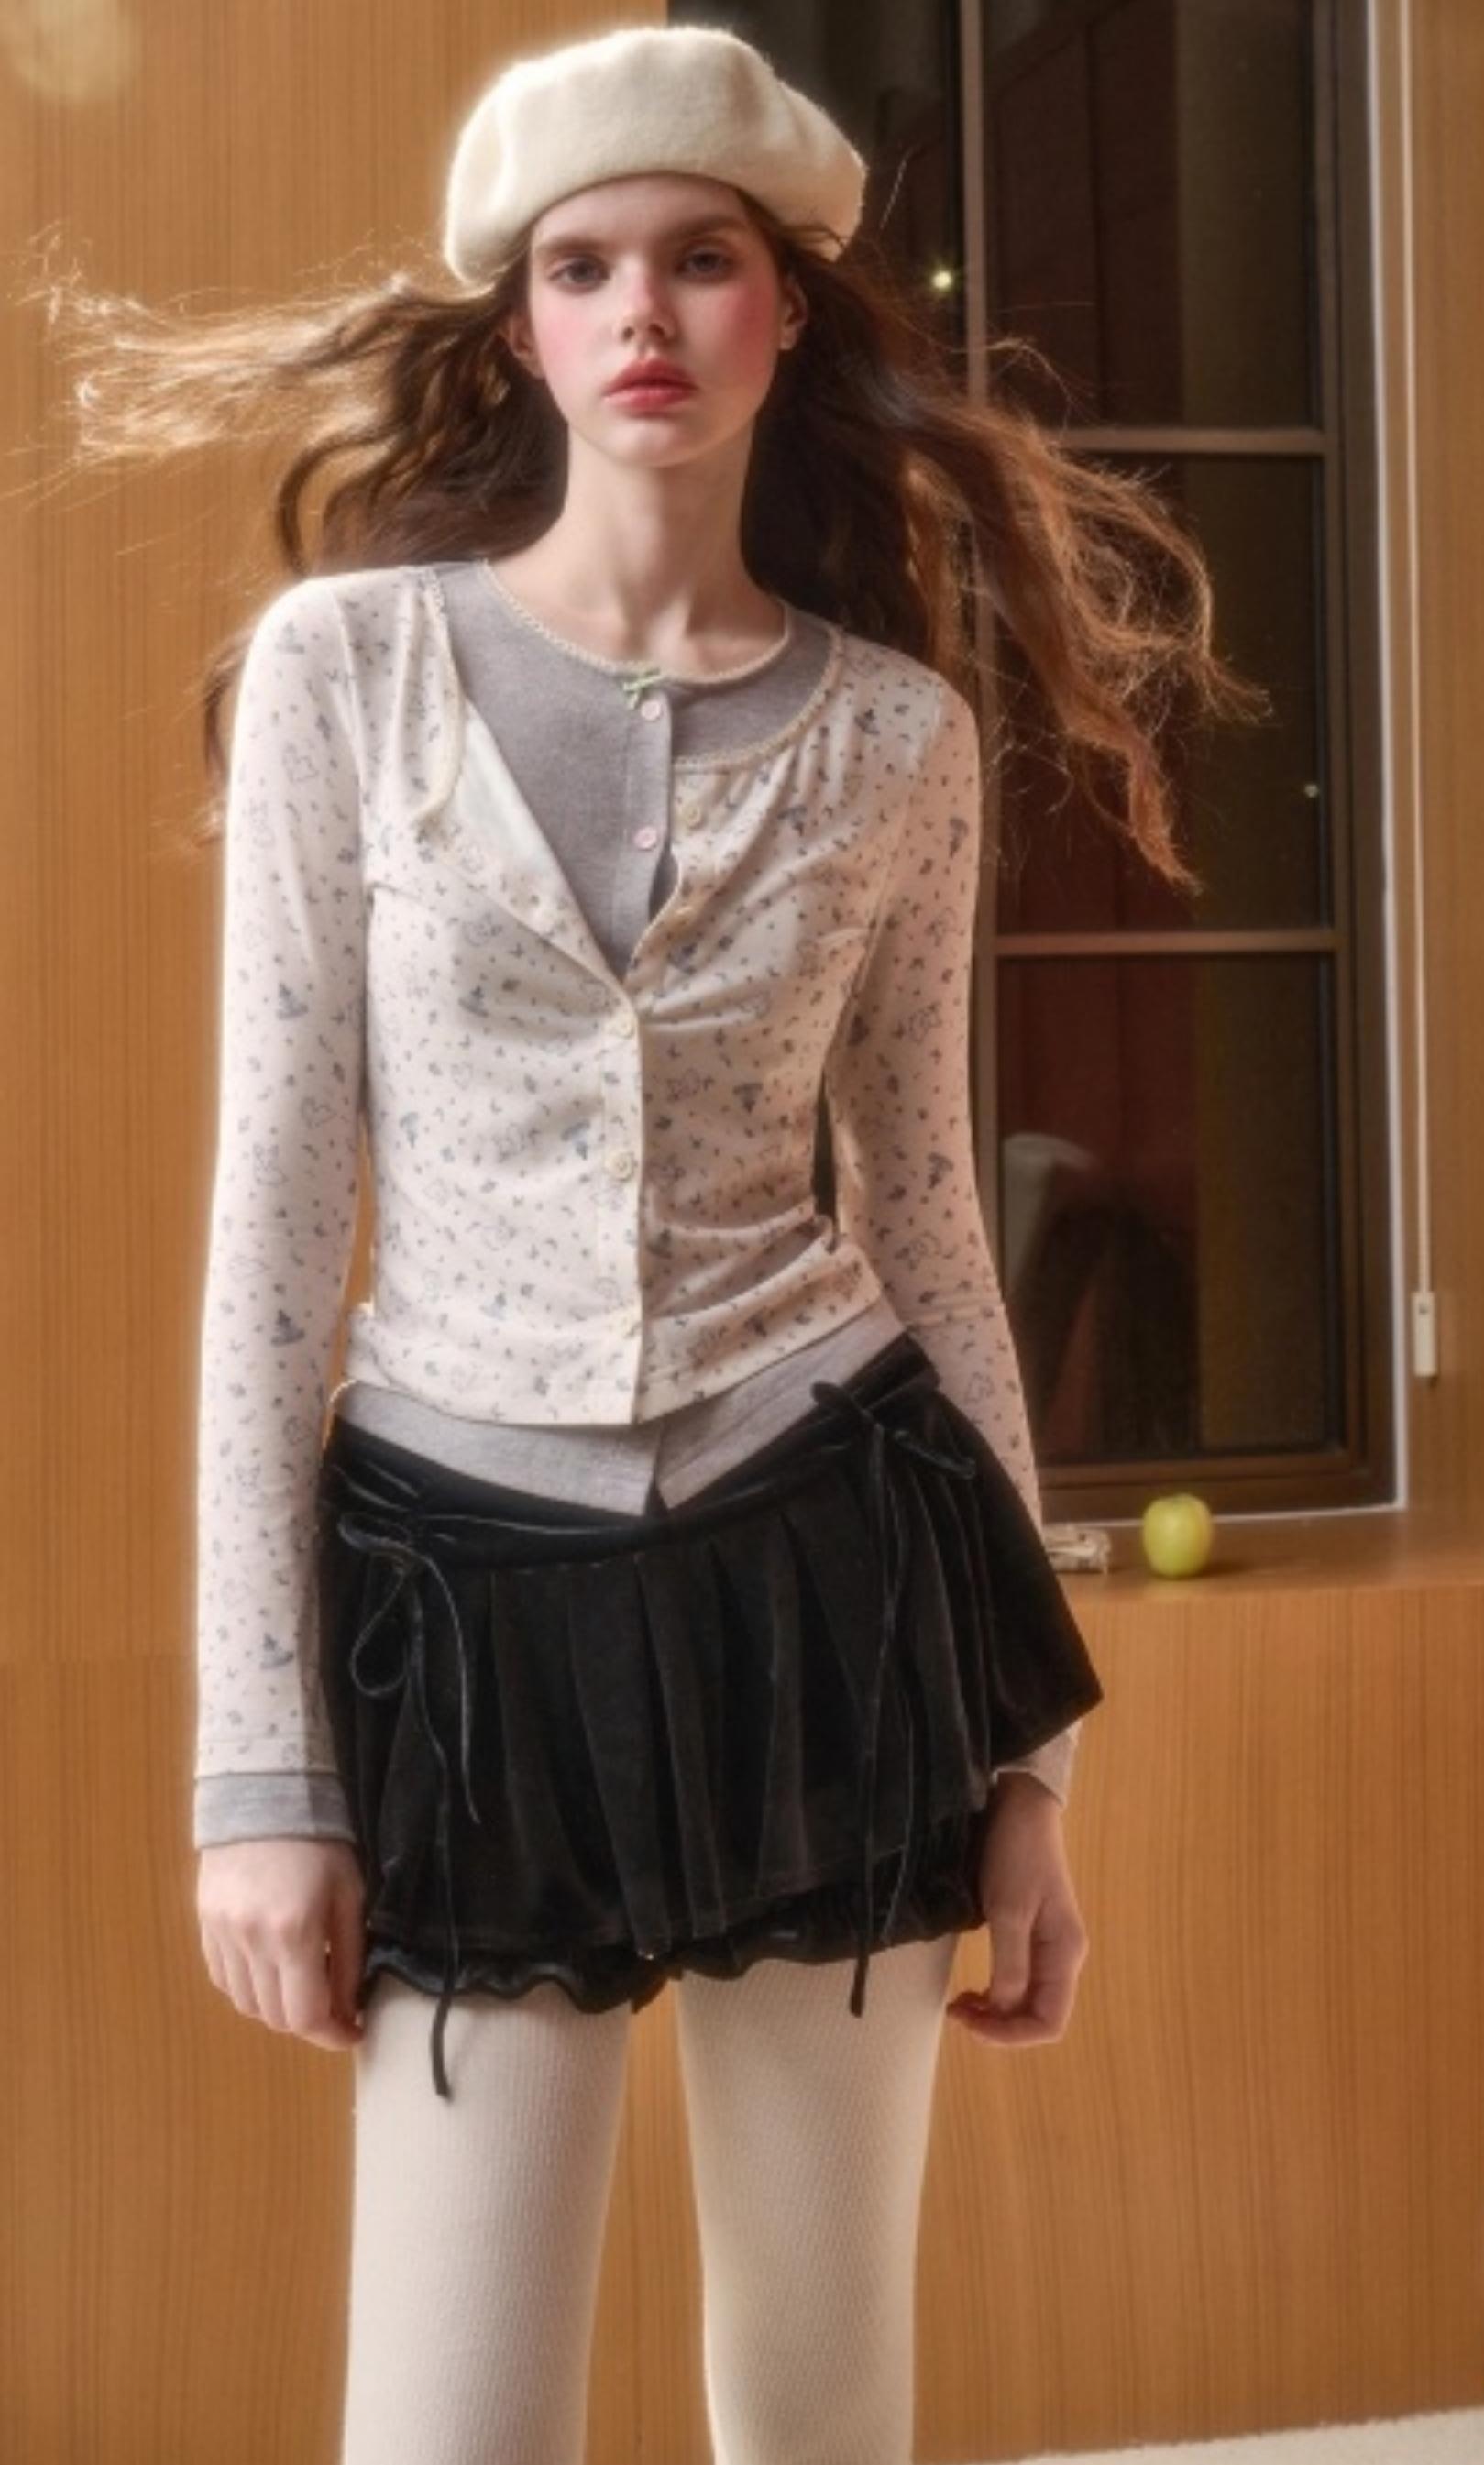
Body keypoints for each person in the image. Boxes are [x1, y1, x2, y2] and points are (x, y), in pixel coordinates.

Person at [34, 22, 1262, 2460]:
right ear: (519, 329)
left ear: (784, 309)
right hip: (462, 1602)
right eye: (584, 267)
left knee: (820, 2396)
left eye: (700, 259)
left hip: (832, 1583)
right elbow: (273, 1232)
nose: (643, 313)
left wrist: (1029, 1762)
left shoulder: (896, 740)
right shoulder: (348, 676)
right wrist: (259, 1774)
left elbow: (930, 1226)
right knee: (449, 2424)